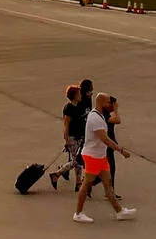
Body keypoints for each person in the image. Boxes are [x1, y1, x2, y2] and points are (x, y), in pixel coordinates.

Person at [73, 92, 137, 224]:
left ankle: (119, 211)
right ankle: (78, 213)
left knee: (108, 185)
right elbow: (105, 139)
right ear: (101, 103)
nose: (111, 105)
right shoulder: (95, 118)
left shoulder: (100, 115)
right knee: (86, 184)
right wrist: (121, 150)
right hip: (92, 157)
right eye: (108, 102)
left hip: (100, 157)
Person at [50, 85, 87, 192]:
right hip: (72, 137)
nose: (80, 95)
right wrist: (66, 140)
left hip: (79, 137)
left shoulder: (78, 106)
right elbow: (66, 125)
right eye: (79, 93)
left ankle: (78, 183)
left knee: (78, 161)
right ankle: (57, 174)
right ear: (74, 95)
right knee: (77, 161)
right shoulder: (69, 108)